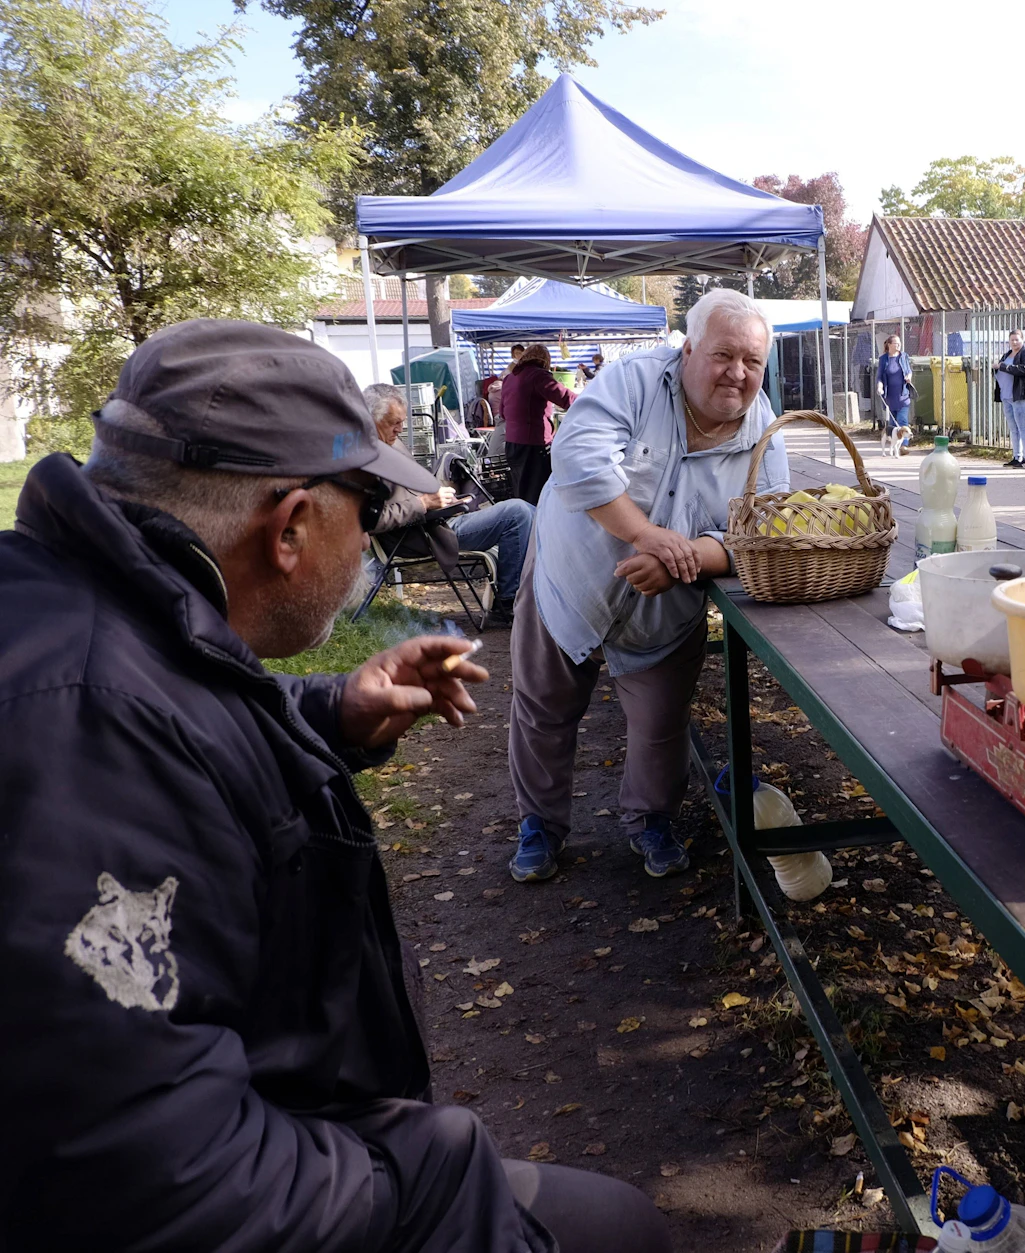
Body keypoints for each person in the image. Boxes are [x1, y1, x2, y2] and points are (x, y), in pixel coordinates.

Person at [0, 319, 670, 1253]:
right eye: (368, 503)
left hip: (274, 1139)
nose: (369, 532)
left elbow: (178, 706)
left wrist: (328, 711)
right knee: (619, 1230)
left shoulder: (78, 608)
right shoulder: (84, 735)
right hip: (260, 1194)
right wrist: (434, 1174)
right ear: (290, 528)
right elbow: (146, 1181)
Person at [508, 289, 789, 884]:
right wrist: (645, 535)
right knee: (545, 707)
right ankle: (540, 826)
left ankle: (651, 821)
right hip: (572, 574)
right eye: (723, 355)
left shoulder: (766, 435)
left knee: (661, 723)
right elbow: (577, 457)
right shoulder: (633, 381)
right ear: (688, 351)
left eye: (753, 361)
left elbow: (766, 532)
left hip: (667, 605)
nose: (737, 373)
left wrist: (685, 559)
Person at [362, 383, 536, 628]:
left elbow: (412, 489)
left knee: (530, 513)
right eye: (394, 423)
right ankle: (506, 604)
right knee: (517, 513)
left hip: (436, 522)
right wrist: (424, 503)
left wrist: (441, 499)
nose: (400, 429)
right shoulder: (365, 461)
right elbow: (371, 520)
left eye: (402, 422)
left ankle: (524, 596)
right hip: (421, 536)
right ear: (371, 418)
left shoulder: (389, 443)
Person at [501, 342, 577, 505]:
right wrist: (592, 400)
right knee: (537, 496)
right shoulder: (538, 376)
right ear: (545, 361)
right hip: (533, 444)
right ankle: (536, 521)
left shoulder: (509, 378)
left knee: (521, 492)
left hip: (512, 444)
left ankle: (524, 520)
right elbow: (566, 399)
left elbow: (502, 412)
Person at [995, 329, 1025, 468]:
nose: (1014, 342)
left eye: (1017, 339)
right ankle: (1016, 456)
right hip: (1007, 396)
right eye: (1012, 340)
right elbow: (1002, 369)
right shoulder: (1007, 354)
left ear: (1022, 340)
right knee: (1013, 429)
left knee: (1024, 427)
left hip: (1021, 396)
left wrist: (1003, 366)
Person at [876, 333, 913, 456]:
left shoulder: (904, 356)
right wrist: (880, 386)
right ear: (889, 345)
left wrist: (909, 377)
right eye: (896, 343)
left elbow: (908, 370)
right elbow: (879, 376)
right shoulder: (883, 359)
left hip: (903, 395)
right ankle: (894, 446)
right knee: (892, 424)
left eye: (899, 343)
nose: (898, 345)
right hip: (890, 396)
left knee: (902, 419)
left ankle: (904, 445)